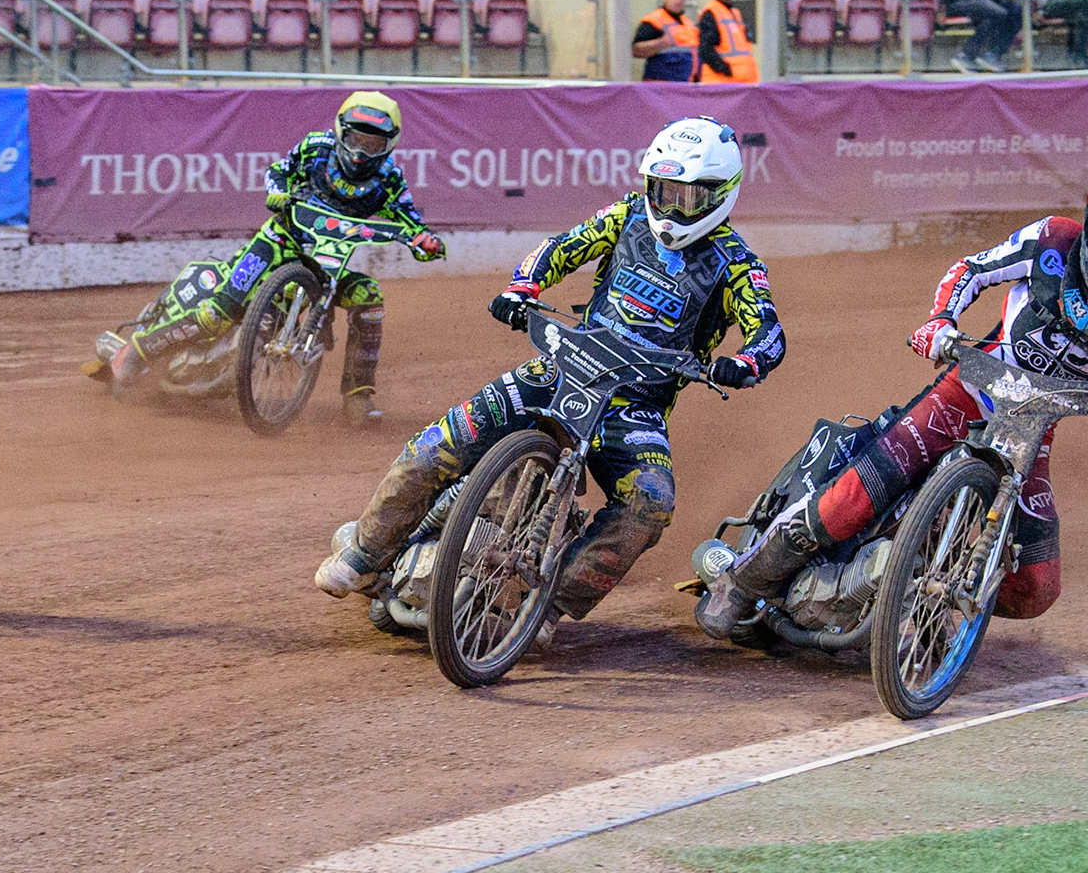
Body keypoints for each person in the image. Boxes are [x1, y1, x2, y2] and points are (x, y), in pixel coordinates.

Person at [697, 155, 1088, 640]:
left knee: (1038, 589)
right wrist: (941, 321)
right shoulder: (1051, 239)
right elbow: (971, 270)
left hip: (1033, 428)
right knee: (857, 494)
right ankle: (742, 584)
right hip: (970, 388)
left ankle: (933, 594)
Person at [316, 116, 787, 639]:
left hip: (634, 407)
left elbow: (767, 330)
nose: (672, 207)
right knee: (436, 445)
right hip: (559, 367)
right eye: (663, 190)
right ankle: (365, 551)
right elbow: (562, 247)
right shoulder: (627, 215)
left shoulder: (737, 263)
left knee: (650, 505)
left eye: (689, 197)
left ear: (722, 195)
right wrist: (523, 288)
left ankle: (549, 605)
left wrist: (745, 363)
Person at [88, 90, 445, 428]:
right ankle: (135, 352)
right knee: (218, 312)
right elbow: (278, 172)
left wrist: (425, 242)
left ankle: (358, 395)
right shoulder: (315, 148)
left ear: (389, 145)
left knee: (369, 296)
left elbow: (411, 222)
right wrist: (278, 193)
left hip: (327, 263)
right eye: (354, 140)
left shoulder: (390, 180)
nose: (360, 153)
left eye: (372, 145)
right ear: (340, 131)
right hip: (278, 242)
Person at [697, 0, 759, 84]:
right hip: (722, 84)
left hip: (741, 83)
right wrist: (727, 70)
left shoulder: (736, 13)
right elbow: (705, 50)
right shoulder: (710, 13)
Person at [631, 0, 697, 83]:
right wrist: (663, 42)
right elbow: (636, 50)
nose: (678, 0)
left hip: (685, 88)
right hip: (660, 90)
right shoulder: (654, 21)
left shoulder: (689, 24)